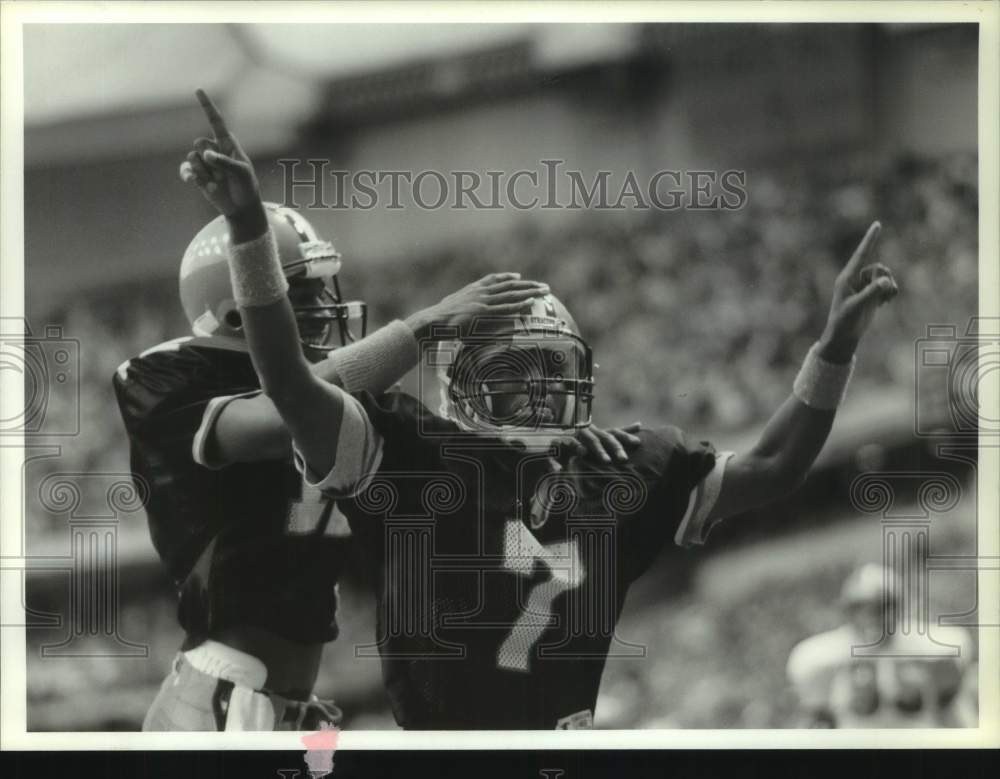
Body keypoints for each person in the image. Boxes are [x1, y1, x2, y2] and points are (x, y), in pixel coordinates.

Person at [186, 88, 900, 729]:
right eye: (515, 369)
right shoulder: (403, 449)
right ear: (460, 382)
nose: (538, 388)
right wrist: (250, 229)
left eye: (550, 367)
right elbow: (288, 381)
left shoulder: (617, 464)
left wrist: (833, 350)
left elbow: (774, 466)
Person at [116, 189, 636, 733]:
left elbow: (451, 451)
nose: (323, 307)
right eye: (303, 293)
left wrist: (545, 434)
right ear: (236, 312)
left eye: (322, 290)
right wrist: (425, 324)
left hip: (281, 703)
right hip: (221, 698)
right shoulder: (166, 380)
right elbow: (280, 413)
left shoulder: (345, 409)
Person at [786, 564, 976, 728]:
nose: (872, 618)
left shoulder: (934, 646)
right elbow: (818, 719)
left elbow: (953, 710)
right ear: (848, 612)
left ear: (899, 607)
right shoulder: (821, 657)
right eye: (861, 609)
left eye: (881, 608)